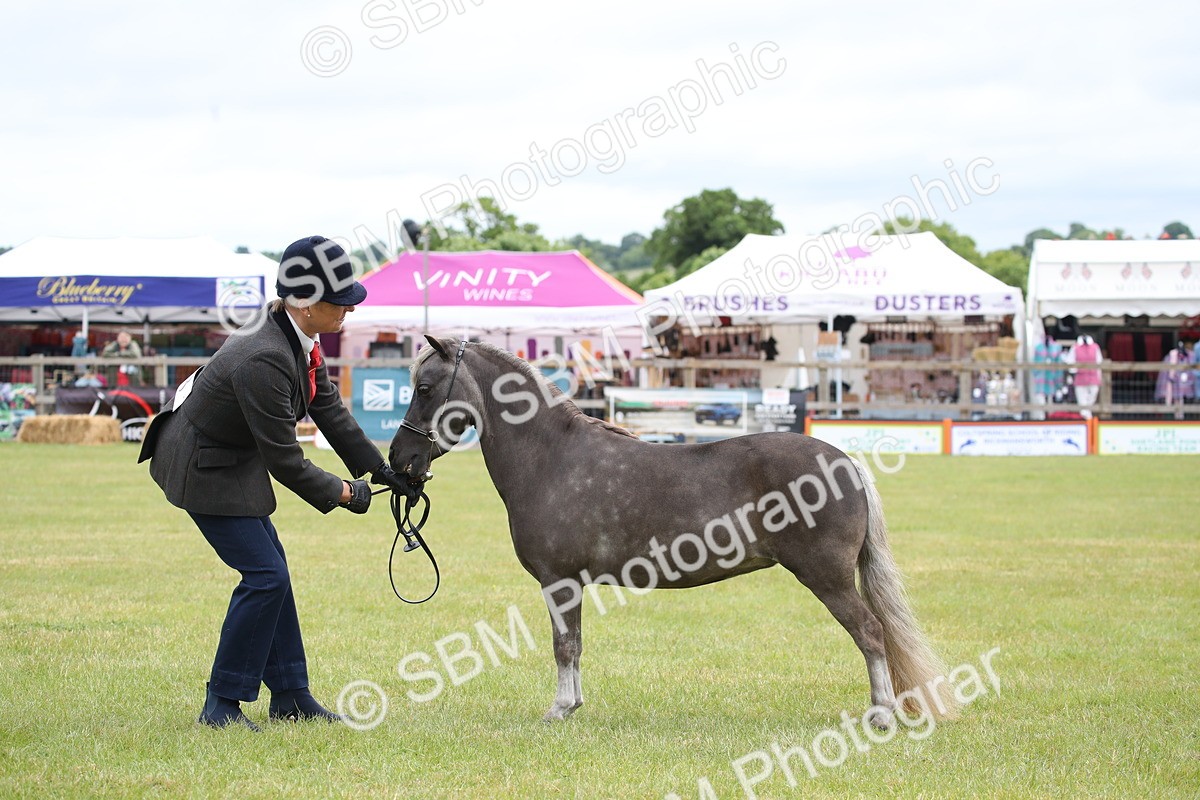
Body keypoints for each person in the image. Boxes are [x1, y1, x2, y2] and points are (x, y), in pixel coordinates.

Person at [138, 235, 415, 731]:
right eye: (340, 302)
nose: (348, 311)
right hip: (202, 464)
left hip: (232, 454)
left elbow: (328, 408)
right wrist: (345, 493)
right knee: (265, 577)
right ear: (305, 304)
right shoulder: (264, 356)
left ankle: (289, 694)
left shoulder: (298, 339)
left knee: (273, 570)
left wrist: (378, 470)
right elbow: (285, 460)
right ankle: (221, 703)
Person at [1068, 335, 1102, 419]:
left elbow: (1099, 361)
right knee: (1082, 401)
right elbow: (1070, 362)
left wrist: (1099, 377)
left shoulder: (1095, 347)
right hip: (1080, 378)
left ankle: (1087, 416)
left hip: (1093, 378)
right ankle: (1087, 418)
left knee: (1092, 396)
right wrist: (1074, 370)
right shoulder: (1075, 347)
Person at [1031, 334, 1063, 419]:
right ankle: (1041, 419)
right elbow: (1034, 362)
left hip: (1052, 377)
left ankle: (1050, 418)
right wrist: (1035, 373)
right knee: (1040, 399)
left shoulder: (1056, 347)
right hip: (1040, 377)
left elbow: (1059, 364)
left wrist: (1059, 380)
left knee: (1050, 400)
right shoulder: (1038, 347)